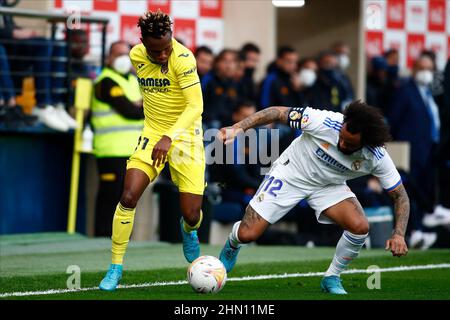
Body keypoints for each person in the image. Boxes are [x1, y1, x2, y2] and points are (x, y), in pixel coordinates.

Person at [216, 100, 410, 294]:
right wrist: (238, 127)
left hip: (328, 186)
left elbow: (400, 196)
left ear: (365, 143)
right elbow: (277, 112)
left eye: (349, 144)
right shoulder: (325, 121)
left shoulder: (377, 156)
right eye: (341, 137)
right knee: (247, 234)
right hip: (291, 173)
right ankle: (233, 243)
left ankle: (332, 277)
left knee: (360, 227)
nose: (341, 143)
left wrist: (399, 234)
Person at [99, 10, 205, 291]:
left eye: (167, 48)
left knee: (192, 214)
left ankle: (189, 230)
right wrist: (160, 134)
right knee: (128, 195)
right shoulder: (135, 56)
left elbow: (196, 107)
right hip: (152, 135)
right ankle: (115, 267)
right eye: (156, 51)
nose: (162, 56)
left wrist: (170, 136)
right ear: (144, 43)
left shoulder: (183, 59)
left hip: (186, 138)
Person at [91, 41, 144, 237]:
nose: (123, 59)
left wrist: (139, 105)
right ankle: (102, 237)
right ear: (109, 58)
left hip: (133, 151)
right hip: (110, 151)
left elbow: (142, 107)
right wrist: (138, 106)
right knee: (110, 195)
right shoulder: (105, 81)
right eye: (118, 54)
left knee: (127, 198)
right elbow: (130, 111)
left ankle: (121, 239)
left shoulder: (132, 80)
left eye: (126, 54)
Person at [387, 55, 439, 248]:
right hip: (409, 151)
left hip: (427, 150)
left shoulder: (428, 93)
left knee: (424, 192)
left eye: (429, 68)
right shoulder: (404, 91)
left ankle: (421, 230)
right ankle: (412, 231)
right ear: (414, 68)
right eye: (422, 67)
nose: (426, 72)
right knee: (409, 192)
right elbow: (394, 120)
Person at [201, 49, 239, 129]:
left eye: (232, 62)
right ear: (217, 63)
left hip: (229, 125)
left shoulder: (235, 83)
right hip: (208, 124)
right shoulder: (207, 80)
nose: (229, 66)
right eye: (225, 61)